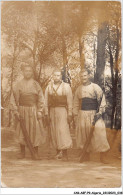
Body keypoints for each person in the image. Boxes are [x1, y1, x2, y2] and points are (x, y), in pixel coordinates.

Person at [73, 69, 110, 163]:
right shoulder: (78, 89)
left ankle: (103, 156)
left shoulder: (95, 87)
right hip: (82, 113)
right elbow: (76, 103)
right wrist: (75, 114)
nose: (83, 78)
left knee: (99, 133)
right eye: (81, 76)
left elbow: (102, 100)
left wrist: (100, 112)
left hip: (94, 113)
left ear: (88, 76)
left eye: (85, 76)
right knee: (83, 134)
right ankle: (86, 155)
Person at [11, 64, 45, 160]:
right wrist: (16, 111)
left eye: (30, 71)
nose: (28, 72)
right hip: (22, 110)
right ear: (23, 72)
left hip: (33, 110)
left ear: (32, 72)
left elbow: (41, 98)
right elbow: (13, 99)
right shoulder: (18, 85)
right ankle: (22, 153)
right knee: (22, 130)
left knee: (35, 130)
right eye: (26, 71)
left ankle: (35, 152)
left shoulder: (36, 84)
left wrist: (40, 110)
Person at [45, 68, 73, 161]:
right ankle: (58, 153)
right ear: (52, 76)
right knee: (54, 130)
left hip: (62, 110)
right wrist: (46, 114)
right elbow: (45, 101)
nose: (56, 77)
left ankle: (65, 154)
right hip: (52, 110)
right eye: (55, 75)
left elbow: (70, 101)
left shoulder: (66, 86)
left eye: (58, 75)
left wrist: (69, 114)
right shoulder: (49, 87)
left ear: (61, 76)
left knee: (62, 130)